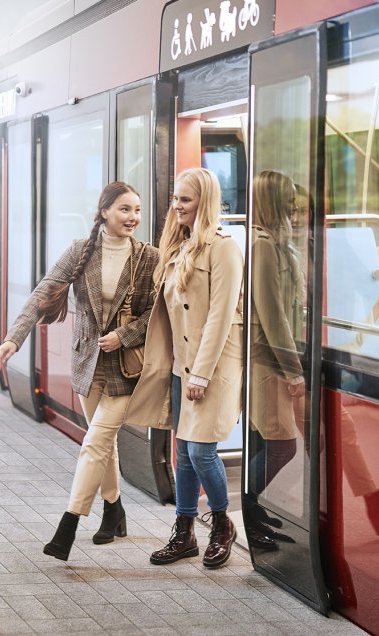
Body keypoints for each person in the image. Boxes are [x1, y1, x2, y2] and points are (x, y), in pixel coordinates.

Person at [0, 181, 162, 561]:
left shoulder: (148, 257)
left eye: (137, 210)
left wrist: (125, 334)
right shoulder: (81, 252)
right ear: (104, 211)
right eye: (124, 209)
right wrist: (12, 340)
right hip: (88, 365)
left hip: (126, 367)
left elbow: (157, 313)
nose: (133, 217)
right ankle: (114, 508)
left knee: (95, 442)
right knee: (102, 443)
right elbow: (43, 293)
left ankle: (68, 524)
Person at [127, 167, 244, 570]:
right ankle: (184, 531)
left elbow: (220, 315)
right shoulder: (177, 247)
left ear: (205, 201)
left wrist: (201, 373)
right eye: (175, 198)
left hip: (210, 366)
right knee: (182, 449)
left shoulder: (223, 247)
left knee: (201, 449)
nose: (177, 205)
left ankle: (222, 524)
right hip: (180, 366)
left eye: (186, 200)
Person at [246, 171, 306, 549]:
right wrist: (293, 370)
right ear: (273, 203)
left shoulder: (278, 243)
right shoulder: (264, 246)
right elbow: (273, 315)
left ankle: (255, 513)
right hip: (268, 363)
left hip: (272, 360)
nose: (295, 210)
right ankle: (248, 513)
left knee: (263, 441)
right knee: (282, 445)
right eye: (288, 202)